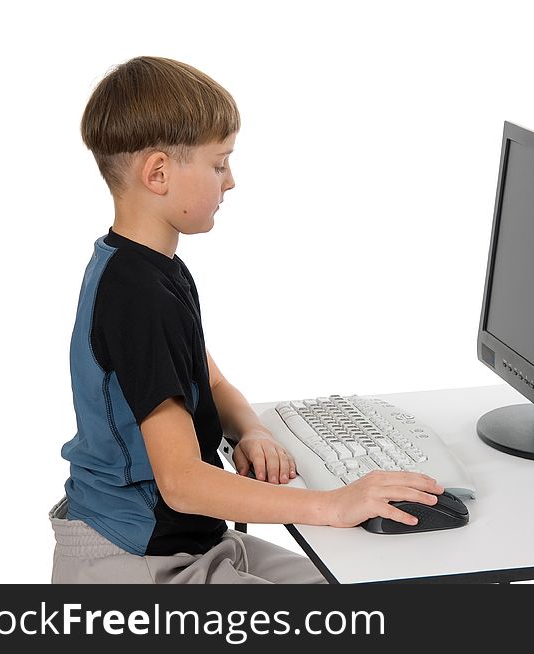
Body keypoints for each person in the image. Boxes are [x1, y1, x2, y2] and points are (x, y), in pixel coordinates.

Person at [50, 56, 444, 584]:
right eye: (218, 164)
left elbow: (208, 379)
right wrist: (335, 504)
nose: (230, 181)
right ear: (159, 173)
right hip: (138, 561)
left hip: (196, 542)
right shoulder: (138, 295)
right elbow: (181, 482)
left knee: (356, 583)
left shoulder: (153, 268)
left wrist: (251, 430)